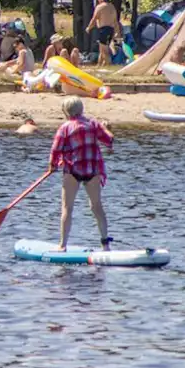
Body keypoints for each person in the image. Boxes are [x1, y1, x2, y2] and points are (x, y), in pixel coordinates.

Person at [49, 96, 113, 252]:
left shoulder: (65, 127)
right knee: (96, 206)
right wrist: (105, 128)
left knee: (67, 208)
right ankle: (105, 245)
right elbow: (109, 140)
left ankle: (62, 246)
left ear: (66, 111)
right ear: (81, 109)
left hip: (72, 170)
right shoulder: (93, 124)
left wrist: (52, 166)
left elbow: (56, 150)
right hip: (93, 170)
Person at [85, 0, 118, 67]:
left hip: (103, 30)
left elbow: (94, 18)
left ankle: (109, 66)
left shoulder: (100, 7)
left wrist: (89, 27)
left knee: (104, 51)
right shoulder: (112, 7)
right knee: (101, 50)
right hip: (111, 30)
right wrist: (117, 32)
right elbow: (115, 21)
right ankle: (99, 66)